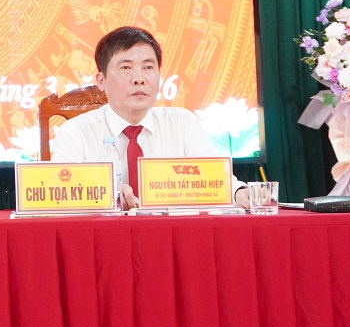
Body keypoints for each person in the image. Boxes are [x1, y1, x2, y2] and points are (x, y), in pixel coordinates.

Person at [51, 26, 250, 210]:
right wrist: (107, 196)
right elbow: (59, 197)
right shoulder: (75, 132)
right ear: (101, 81)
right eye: (126, 68)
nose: (139, 78)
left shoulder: (183, 124)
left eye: (148, 67)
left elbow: (215, 180)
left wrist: (239, 193)